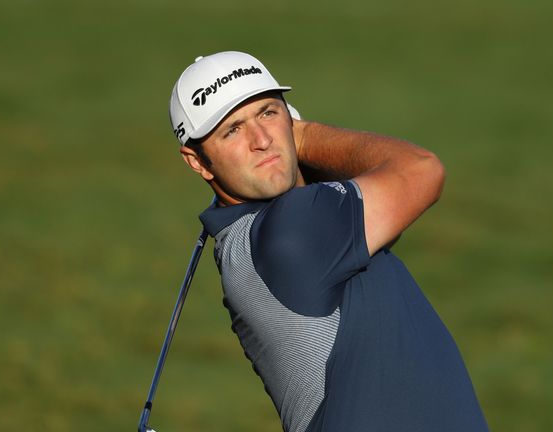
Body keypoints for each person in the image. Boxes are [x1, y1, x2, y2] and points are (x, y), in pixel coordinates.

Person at [168, 51, 488, 432]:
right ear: (198, 161)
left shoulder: (249, 239)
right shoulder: (292, 229)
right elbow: (421, 170)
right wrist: (301, 136)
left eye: (268, 112)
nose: (262, 140)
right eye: (232, 130)